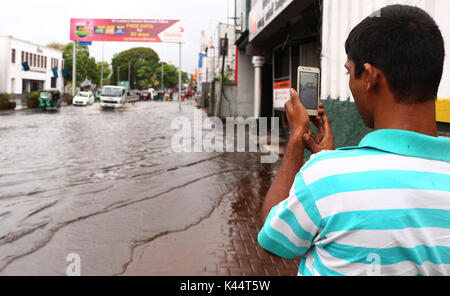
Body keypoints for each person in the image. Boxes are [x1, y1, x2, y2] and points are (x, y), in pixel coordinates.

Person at [258, 4, 450, 276]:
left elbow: (273, 240)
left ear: (370, 77)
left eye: (349, 72)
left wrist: (296, 143)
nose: (350, 82)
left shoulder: (325, 178)